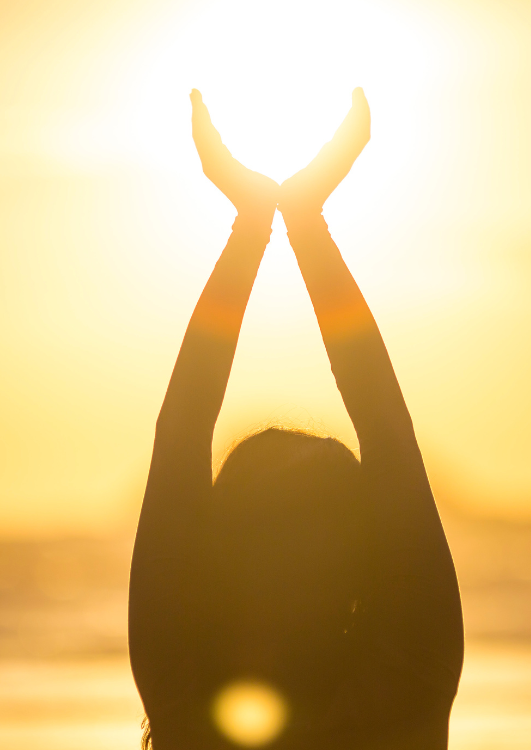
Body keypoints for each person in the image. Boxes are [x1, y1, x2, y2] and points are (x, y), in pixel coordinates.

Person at [129, 88, 463, 750]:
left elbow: (182, 431)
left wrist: (252, 226)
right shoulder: (402, 694)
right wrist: (305, 224)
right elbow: (389, 432)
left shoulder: (190, 704)